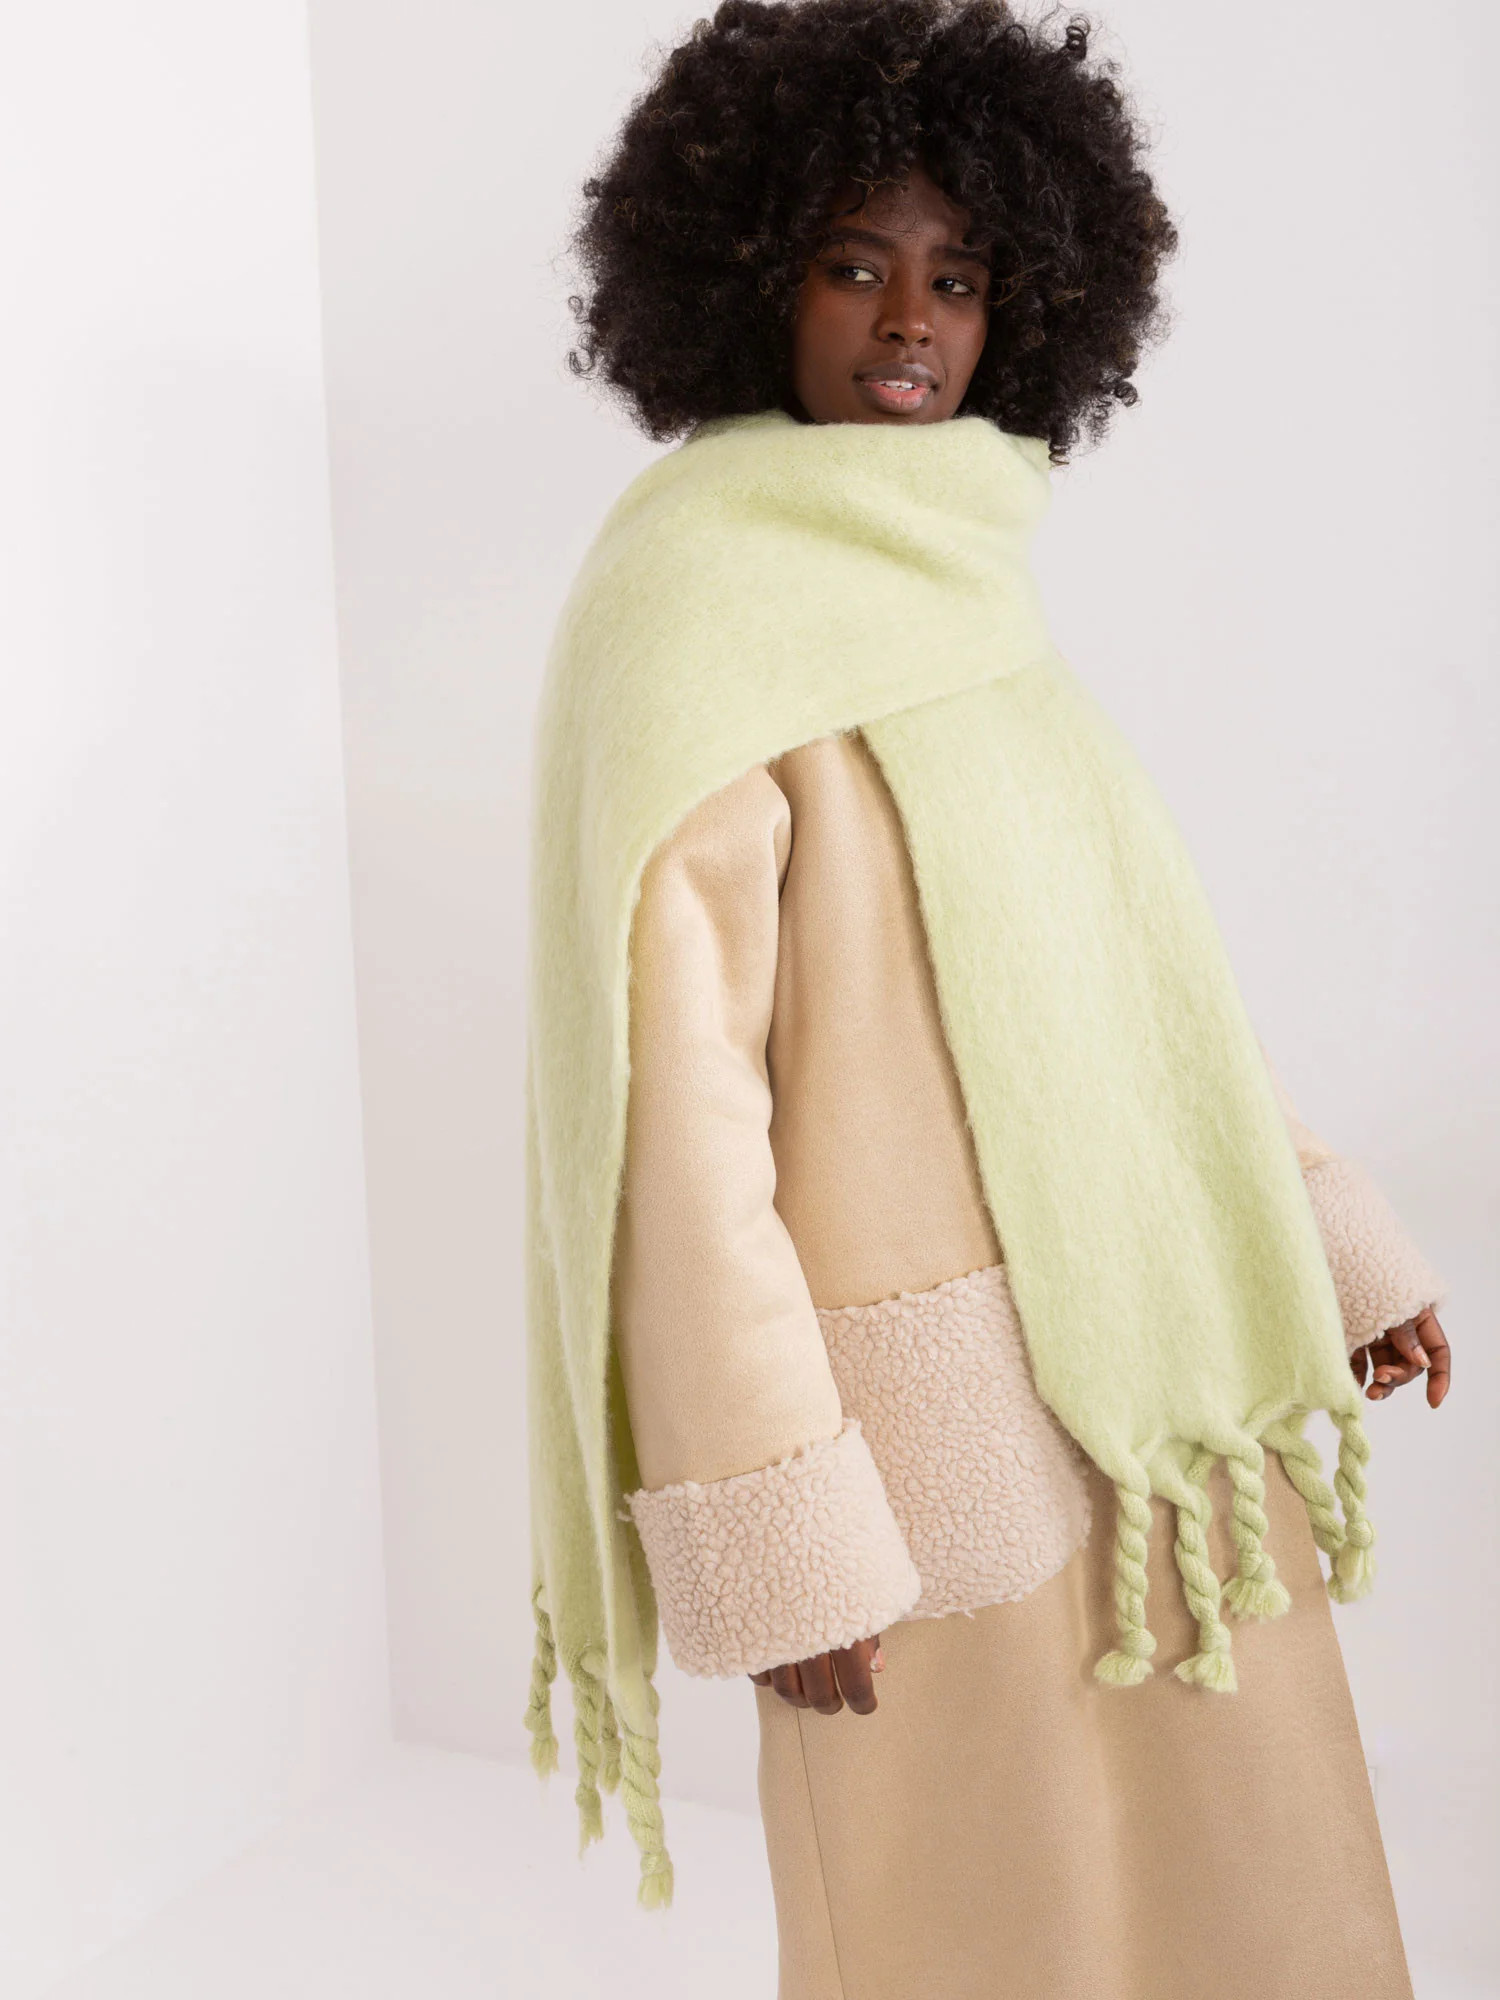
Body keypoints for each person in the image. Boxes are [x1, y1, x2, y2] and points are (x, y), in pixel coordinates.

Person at [522, 5, 1453, 1994]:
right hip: (912, 1421)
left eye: (958, 276)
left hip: (1147, 1358)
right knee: (976, 1909)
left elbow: (1133, 981)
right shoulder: (693, 623)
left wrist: (1320, 1241)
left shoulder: (974, 588)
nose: (909, 320)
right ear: (748, 279)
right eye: (854, 263)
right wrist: (774, 1503)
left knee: (1239, 1874)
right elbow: (679, 1130)